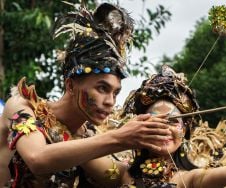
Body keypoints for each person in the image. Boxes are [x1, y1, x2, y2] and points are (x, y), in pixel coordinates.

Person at [0, 3, 172, 187]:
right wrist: (121, 138)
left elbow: (116, 177)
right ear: (70, 85)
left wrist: (156, 153)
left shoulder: (88, 135)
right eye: (102, 88)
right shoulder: (22, 106)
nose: (110, 102)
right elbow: (37, 158)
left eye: (116, 93)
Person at [103, 64, 226, 187]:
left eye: (174, 121)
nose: (165, 128)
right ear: (139, 125)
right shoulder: (120, 172)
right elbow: (79, 150)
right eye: (155, 120)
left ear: (184, 131)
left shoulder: (187, 180)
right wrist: (122, 138)